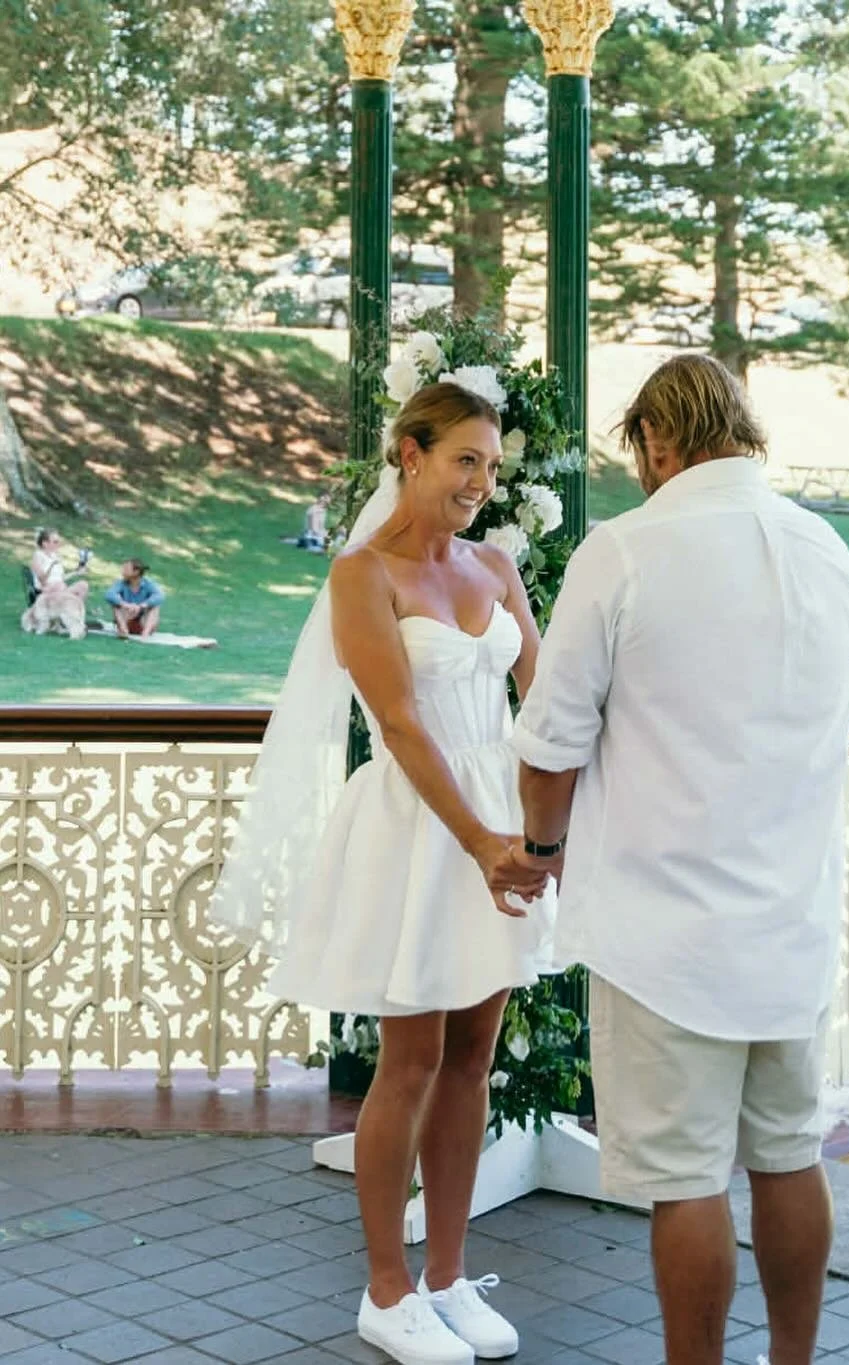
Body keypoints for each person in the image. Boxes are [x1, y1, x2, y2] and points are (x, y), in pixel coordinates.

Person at [506, 354, 849, 1365]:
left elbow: (550, 743)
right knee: (790, 1159)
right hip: (788, 919)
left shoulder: (627, 550)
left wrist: (540, 852)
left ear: (658, 440)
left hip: (665, 930)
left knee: (688, 1181)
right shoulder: (827, 549)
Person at [210, 383, 553, 1365]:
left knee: (476, 1054)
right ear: (410, 453)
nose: (481, 485)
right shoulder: (363, 575)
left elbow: (547, 694)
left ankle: (448, 1275)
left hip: (500, 825)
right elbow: (399, 725)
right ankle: (386, 1290)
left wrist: (540, 830)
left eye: (492, 467)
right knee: (409, 1061)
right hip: (419, 830)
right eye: (464, 462)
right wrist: (481, 841)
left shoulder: (497, 565)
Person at [22, 528, 90, 639]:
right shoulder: (38, 556)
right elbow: (42, 579)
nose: (58, 544)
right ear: (45, 543)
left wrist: (76, 572)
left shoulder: (55, 556)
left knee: (83, 585)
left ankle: (73, 619)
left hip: (60, 591)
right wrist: (51, 565)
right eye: (55, 541)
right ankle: (66, 620)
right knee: (57, 585)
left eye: (58, 541)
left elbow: (61, 578)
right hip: (46, 594)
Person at [105, 559, 165, 638]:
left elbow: (160, 596)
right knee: (115, 604)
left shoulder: (148, 583)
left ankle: (145, 633)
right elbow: (109, 594)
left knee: (155, 606)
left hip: (143, 620)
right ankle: (123, 630)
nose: (123, 571)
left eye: (126, 569)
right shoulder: (121, 583)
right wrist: (126, 604)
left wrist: (142, 606)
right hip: (128, 617)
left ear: (136, 572)